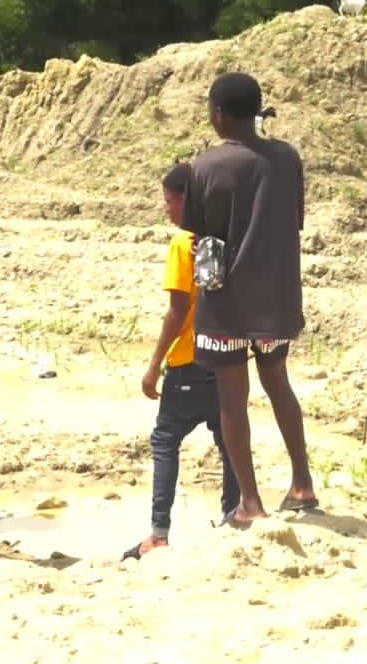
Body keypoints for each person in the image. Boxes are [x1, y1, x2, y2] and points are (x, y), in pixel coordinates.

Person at [181, 72, 316, 527]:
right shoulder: (286, 158)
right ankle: (302, 484)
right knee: (278, 384)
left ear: (219, 114)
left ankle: (251, 504)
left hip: (227, 305)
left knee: (232, 400)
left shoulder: (207, 166)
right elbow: (293, 219)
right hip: (277, 298)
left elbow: (199, 233)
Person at [124, 163, 241, 560]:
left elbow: (178, 310)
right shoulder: (228, 236)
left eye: (170, 201)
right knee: (229, 439)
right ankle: (233, 514)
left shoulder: (183, 244)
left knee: (165, 440)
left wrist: (154, 364)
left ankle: (158, 533)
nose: (167, 209)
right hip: (226, 358)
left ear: (188, 201)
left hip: (190, 359)